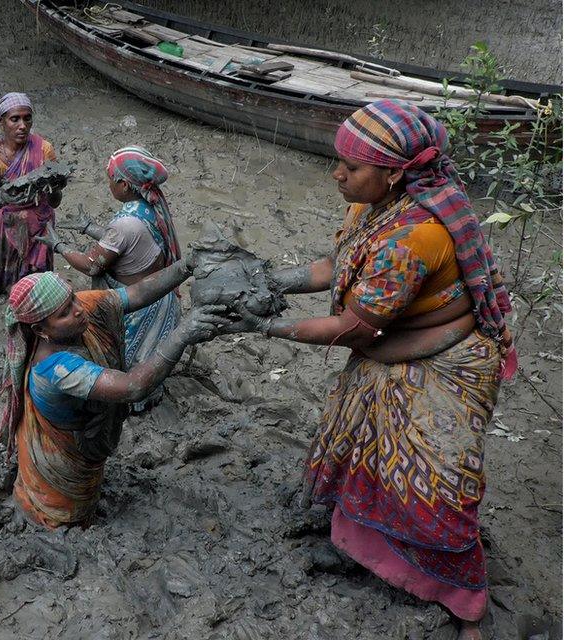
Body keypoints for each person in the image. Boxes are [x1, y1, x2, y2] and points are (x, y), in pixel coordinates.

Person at [221, 100, 515, 640]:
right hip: (395, 348)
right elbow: (336, 266)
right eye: (338, 162)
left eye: (350, 168)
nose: (337, 175)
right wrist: (268, 281)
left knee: (439, 485)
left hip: (442, 364)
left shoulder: (415, 237)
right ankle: (369, 545)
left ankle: (463, 602)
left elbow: (354, 328)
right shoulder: (372, 208)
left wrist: (260, 326)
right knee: (372, 454)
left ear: (394, 173)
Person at [0, 258, 227, 529]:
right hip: (64, 457)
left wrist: (186, 266)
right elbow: (134, 387)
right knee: (65, 516)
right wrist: (183, 334)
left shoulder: (80, 308)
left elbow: (136, 294)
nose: (78, 309)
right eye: (64, 313)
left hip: (85, 436)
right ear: (40, 330)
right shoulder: (57, 370)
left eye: (72, 298)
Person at [40, 146, 183, 410]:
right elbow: (124, 244)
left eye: (110, 179)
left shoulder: (124, 224)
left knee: (131, 362)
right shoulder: (149, 206)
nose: (108, 184)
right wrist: (88, 228)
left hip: (141, 303)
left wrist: (57, 244)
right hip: (160, 295)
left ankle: (133, 402)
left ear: (123, 184)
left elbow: (92, 266)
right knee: (151, 356)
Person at [0, 92, 65, 294]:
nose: (22, 125)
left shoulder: (43, 148)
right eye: (14, 119)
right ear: (1, 121)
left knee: (38, 286)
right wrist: (2, 197)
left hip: (40, 223)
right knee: (8, 282)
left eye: (27, 118)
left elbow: (55, 202)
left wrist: (56, 187)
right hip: (7, 225)